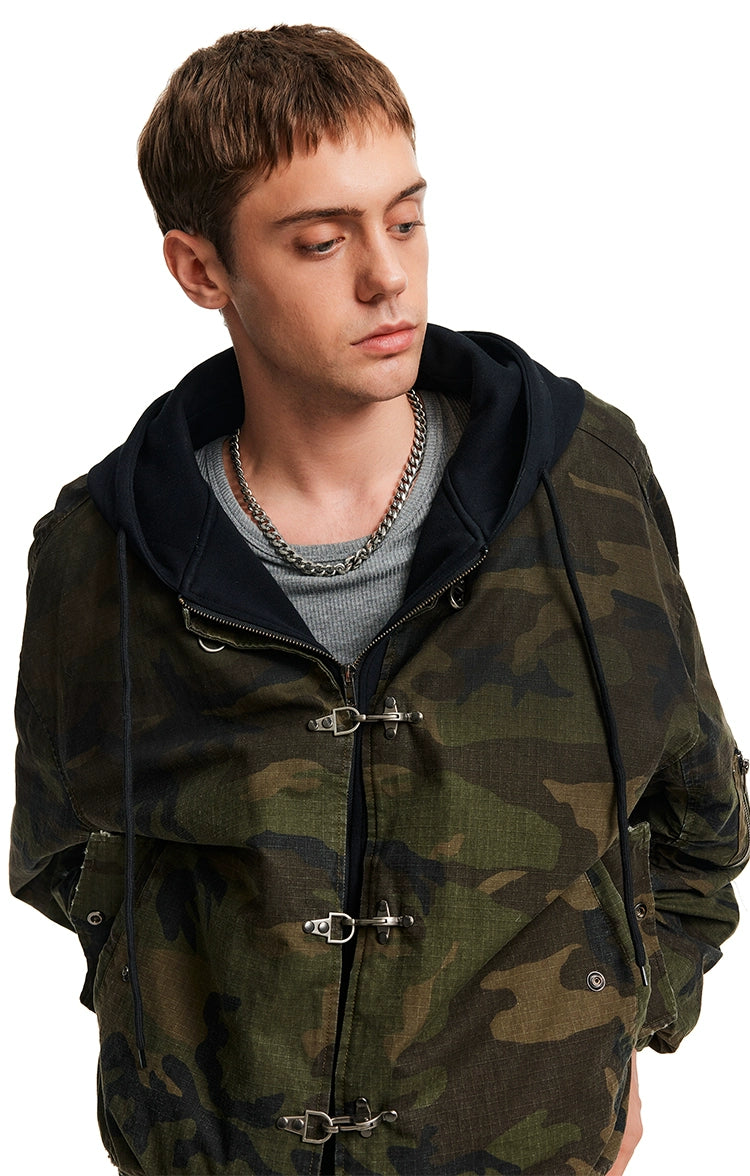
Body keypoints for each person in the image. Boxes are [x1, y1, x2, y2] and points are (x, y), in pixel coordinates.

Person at [9, 24, 747, 1176]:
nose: (386, 275)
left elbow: (700, 812)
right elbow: (66, 857)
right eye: (321, 241)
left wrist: (607, 1027)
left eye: (405, 220)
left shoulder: (583, 483)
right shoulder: (101, 552)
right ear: (202, 271)